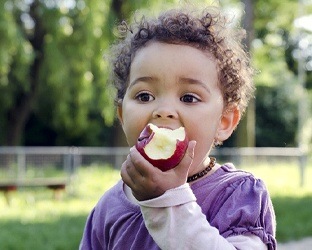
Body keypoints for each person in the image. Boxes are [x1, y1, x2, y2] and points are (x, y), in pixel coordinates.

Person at [80, 5, 276, 250]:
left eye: (188, 98)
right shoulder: (109, 208)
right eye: (144, 96)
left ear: (224, 121)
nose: (163, 110)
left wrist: (167, 201)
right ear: (121, 115)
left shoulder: (239, 195)